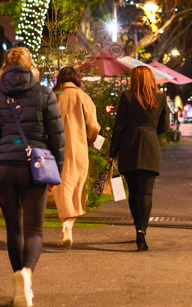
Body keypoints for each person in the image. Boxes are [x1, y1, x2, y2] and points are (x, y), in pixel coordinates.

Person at [0, 47, 64, 307]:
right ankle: (27, 275)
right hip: (35, 165)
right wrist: (58, 172)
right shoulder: (44, 94)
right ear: (30, 65)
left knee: (14, 227)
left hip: (2, 167)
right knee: (34, 230)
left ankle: (18, 282)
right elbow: (57, 136)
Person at [108, 66, 170, 251]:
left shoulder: (127, 97)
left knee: (133, 192)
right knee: (146, 193)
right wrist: (150, 132)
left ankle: (137, 227)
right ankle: (142, 232)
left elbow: (119, 127)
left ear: (134, 79)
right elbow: (165, 126)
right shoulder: (160, 98)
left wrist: (113, 152)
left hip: (129, 146)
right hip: (150, 147)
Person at [52, 66, 100, 250]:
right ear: (76, 79)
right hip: (78, 148)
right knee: (76, 188)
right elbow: (94, 127)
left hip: (56, 149)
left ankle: (65, 225)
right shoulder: (82, 97)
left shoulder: (54, 95)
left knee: (62, 188)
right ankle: (68, 225)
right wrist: (90, 139)